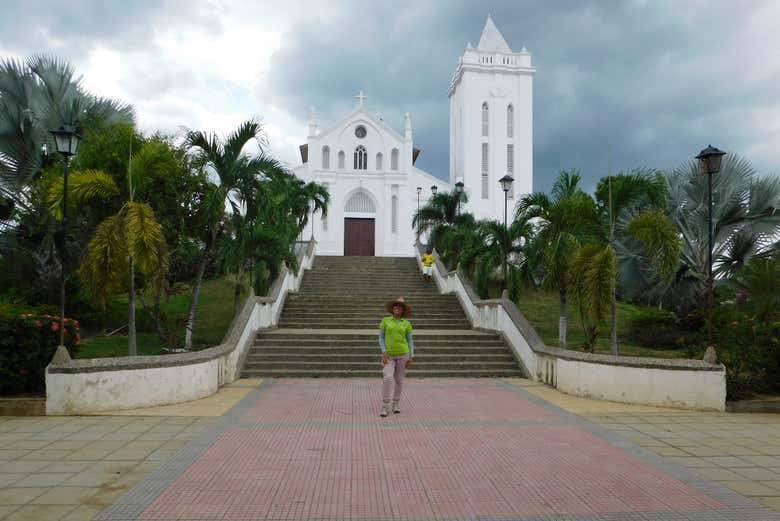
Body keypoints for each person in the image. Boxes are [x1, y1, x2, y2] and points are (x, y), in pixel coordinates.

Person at [378, 296, 414, 417]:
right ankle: (385, 405)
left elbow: (410, 340)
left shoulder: (407, 323)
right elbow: (381, 338)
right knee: (388, 378)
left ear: (403, 309)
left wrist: (411, 355)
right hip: (388, 355)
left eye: (399, 306)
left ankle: (396, 403)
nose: (396, 307)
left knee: (399, 380)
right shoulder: (385, 321)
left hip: (403, 355)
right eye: (395, 305)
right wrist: (384, 351)